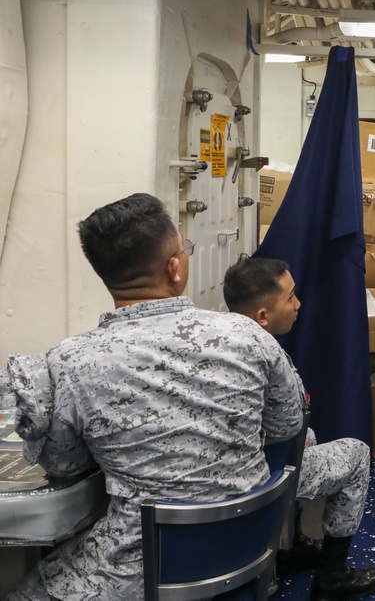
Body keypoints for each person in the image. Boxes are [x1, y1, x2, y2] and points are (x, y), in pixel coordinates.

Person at [1, 193, 303, 600]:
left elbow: (64, 465)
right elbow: (287, 424)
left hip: (139, 565)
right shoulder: (247, 334)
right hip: (247, 538)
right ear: (175, 268)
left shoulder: (69, 362)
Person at [223, 257, 375, 600]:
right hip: (254, 477)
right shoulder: (268, 353)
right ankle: (334, 575)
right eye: (291, 297)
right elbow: (291, 424)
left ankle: (292, 545)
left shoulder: (218, 338)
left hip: (222, 465)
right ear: (263, 316)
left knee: (308, 438)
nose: (298, 304)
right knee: (355, 454)